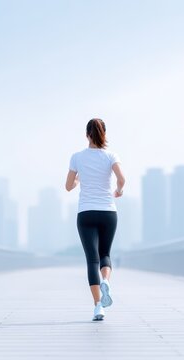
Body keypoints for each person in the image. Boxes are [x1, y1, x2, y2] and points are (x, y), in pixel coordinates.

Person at [65, 118, 125, 321]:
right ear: (104, 135)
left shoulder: (77, 157)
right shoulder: (111, 156)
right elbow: (122, 179)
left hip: (86, 213)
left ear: (86, 135)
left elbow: (68, 186)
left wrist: (79, 180)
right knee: (105, 254)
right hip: (108, 212)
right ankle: (106, 280)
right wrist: (118, 190)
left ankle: (98, 306)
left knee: (92, 259)